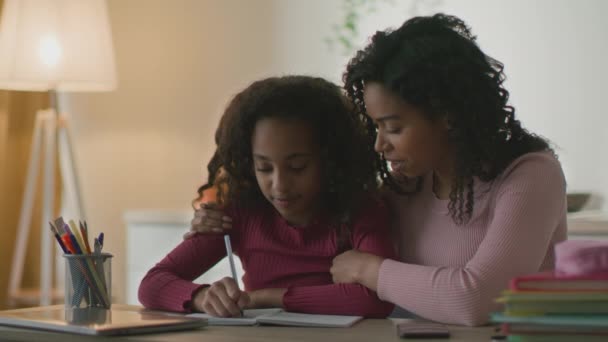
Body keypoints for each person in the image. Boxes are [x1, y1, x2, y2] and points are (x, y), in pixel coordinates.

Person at [188, 14, 568, 326]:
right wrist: (222, 215)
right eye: (377, 126)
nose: (379, 144)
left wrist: (370, 270)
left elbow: (476, 300)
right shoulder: (408, 184)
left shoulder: (531, 175)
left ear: (448, 115)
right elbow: (321, 219)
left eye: (394, 127)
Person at [138, 75, 395, 318]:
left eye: (297, 167)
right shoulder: (240, 211)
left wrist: (265, 298)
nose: (279, 185)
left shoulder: (361, 209)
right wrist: (202, 297)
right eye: (264, 168)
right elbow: (152, 284)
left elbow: (375, 299)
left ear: (330, 161)